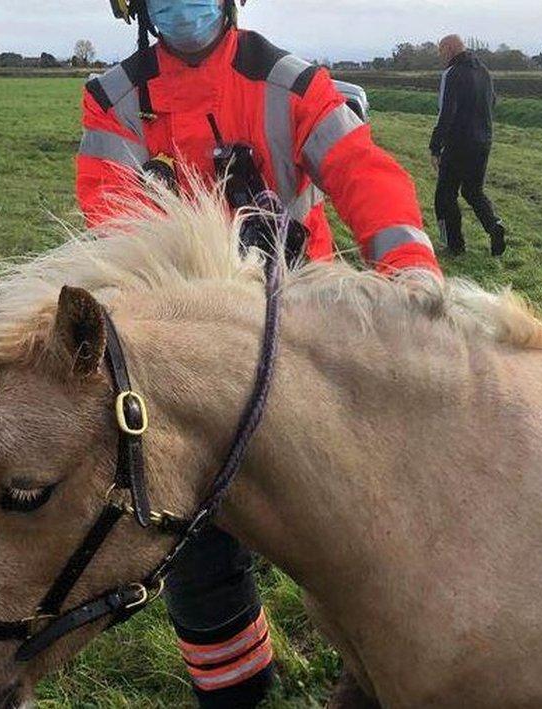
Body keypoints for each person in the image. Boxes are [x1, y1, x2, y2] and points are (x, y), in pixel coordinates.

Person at [75, 1, 441, 706]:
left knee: (354, 522)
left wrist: (412, 280)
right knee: (194, 541)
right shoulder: (114, 101)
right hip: (189, 351)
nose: (185, 7)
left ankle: (370, 670)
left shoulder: (292, 83)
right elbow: (112, 222)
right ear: (140, 9)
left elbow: (363, 172)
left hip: (304, 331)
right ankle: (235, 693)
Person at [430, 34, 506, 257]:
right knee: (473, 191)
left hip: (458, 144)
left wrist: (435, 146)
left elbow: (446, 113)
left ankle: (454, 246)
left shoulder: (452, 74)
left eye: (441, 51)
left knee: (444, 196)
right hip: (483, 141)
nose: (440, 56)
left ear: (451, 49)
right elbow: (492, 101)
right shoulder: (483, 70)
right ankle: (494, 226)